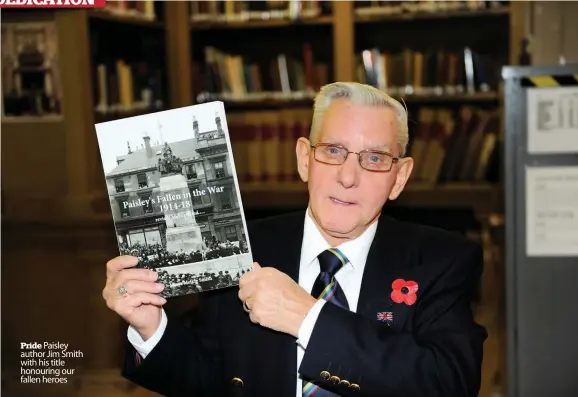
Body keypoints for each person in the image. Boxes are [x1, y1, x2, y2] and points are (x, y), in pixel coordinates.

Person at [103, 82, 487, 397]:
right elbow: (206, 379)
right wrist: (151, 327)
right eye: (333, 151)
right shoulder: (246, 248)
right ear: (305, 159)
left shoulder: (441, 260)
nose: (348, 177)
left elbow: (448, 383)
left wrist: (306, 318)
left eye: (373, 159)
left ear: (399, 178)